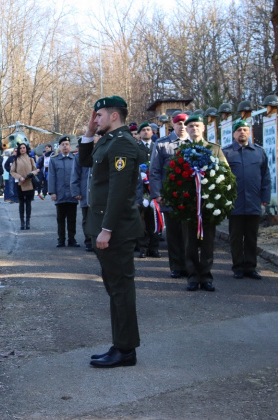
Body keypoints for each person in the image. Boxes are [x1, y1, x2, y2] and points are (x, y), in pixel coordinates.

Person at [78, 95, 144, 368]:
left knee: (120, 290)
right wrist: (88, 133)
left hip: (116, 230)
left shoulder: (124, 144)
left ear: (114, 116)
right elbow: (85, 162)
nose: (96, 120)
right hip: (105, 227)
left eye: (99, 116)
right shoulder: (107, 141)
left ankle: (126, 349)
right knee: (114, 288)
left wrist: (106, 230)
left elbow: (119, 192)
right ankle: (121, 344)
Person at [181, 115, 227, 291]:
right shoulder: (182, 149)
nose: (194, 129)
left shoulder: (214, 150)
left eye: (197, 125)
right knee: (189, 243)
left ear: (203, 128)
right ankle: (192, 277)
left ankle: (206, 277)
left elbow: (225, 173)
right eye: (190, 126)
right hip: (188, 204)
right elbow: (173, 174)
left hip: (208, 204)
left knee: (207, 243)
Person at [223, 119, 271, 280]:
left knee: (251, 236)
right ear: (234, 133)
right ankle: (238, 267)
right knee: (236, 236)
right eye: (239, 130)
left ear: (249, 132)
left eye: (245, 129)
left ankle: (250, 267)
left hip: (253, 201)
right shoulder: (227, 153)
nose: (242, 132)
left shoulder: (259, 152)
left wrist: (265, 197)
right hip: (234, 202)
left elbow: (266, 176)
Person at [149, 113, 191, 278]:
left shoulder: (193, 143)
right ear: (172, 125)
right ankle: (176, 266)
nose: (182, 126)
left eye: (185, 123)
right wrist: (158, 194)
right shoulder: (162, 144)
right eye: (179, 123)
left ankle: (189, 265)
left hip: (189, 197)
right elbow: (155, 171)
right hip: (170, 195)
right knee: (173, 234)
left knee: (188, 235)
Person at [48, 136, 79, 247]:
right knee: (60, 219)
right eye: (63, 144)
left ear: (70, 146)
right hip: (60, 194)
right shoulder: (54, 159)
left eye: (67, 144)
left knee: (72, 219)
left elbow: (78, 176)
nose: (65, 146)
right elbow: (51, 176)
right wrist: (52, 192)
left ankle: (72, 239)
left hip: (72, 194)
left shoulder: (75, 159)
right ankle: (61, 239)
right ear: (60, 147)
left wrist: (78, 192)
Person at [135, 122, 160, 258]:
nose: (146, 132)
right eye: (143, 130)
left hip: (155, 189)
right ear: (139, 134)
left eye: (148, 130)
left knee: (155, 219)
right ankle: (142, 247)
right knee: (142, 220)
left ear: (152, 132)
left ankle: (154, 247)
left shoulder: (157, 147)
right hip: (141, 189)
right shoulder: (136, 148)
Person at [10, 143, 38, 230]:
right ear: (18, 150)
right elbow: (12, 171)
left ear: (26, 149)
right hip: (20, 184)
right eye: (21, 148)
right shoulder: (16, 160)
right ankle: (22, 222)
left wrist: (32, 174)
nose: (22, 149)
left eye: (24, 148)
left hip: (29, 183)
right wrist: (19, 177)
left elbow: (35, 170)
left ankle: (28, 221)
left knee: (28, 203)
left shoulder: (30, 159)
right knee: (21, 203)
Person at [71, 140, 93, 252]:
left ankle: (97, 239)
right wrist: (76, 192)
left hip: (98, 192)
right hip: (85, 192)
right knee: (87, 218)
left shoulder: (99, 153)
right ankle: (88, 241)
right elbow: (75, 174)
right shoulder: (78, 157)